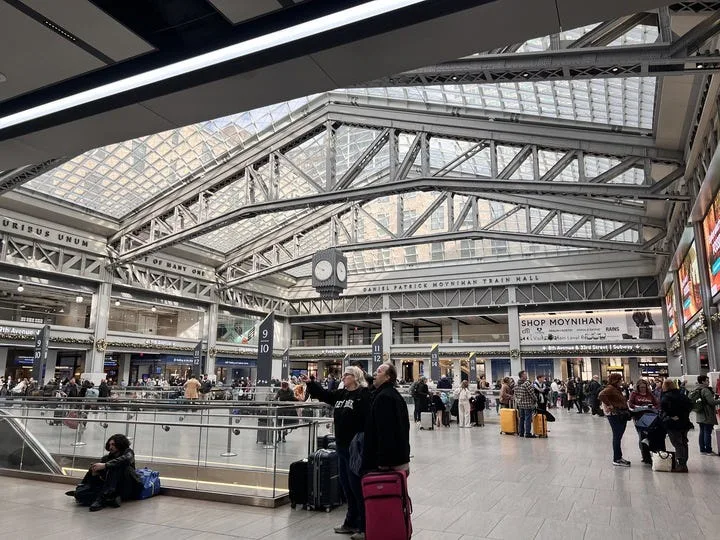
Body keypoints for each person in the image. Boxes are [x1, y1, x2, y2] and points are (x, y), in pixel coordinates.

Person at [302, 366, 370, 537]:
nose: (343, 377)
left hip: (355, 448)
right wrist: (311, 384)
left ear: (355, 377)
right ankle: (350, 522)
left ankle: (364, 526)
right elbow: (325, 395)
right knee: (347, 486)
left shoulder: (363, 395)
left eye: (347, 374)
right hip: (341, 446)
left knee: (356, 486)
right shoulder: (341, 394)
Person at [361, 362, 411, 540]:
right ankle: (394, 530)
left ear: (388, 377)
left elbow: (386, 432)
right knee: (396, 501)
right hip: (396, 457)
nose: (375, 374)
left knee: (387, 500)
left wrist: (383, 462)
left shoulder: (385, 398)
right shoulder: (389, 394)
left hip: (387, 461)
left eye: (379, 371)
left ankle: (385, 531)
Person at [65, 434, 141, 511]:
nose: (110, 447)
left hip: (128, 486)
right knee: (80, 494)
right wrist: (95, 474)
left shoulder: (128, 452)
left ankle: (102, 499)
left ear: (120, 444)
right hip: (112, 489)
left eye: (113, 445)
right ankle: (110, 499)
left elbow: (126, 459)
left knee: (115, 466)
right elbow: (104, 479)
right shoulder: (106, 458)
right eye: (110, 444)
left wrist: (105, 465)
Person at [598, 373, 631, 466]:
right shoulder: (610, 388)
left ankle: (618, 457)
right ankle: (617, 458)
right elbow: (601, 395)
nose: (621, 381)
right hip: (615, 415)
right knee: (617, 436)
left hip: (620, 414)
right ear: (616, 380)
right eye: (620, 379)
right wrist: (609, 405)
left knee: (618, 436)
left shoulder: (616, 389)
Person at [660, 379, 693, 472]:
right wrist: (683, 415)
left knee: (677, 443)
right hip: (685, 422)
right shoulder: (682, 395)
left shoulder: (666, 396)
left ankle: (680, 464)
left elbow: (663, 407)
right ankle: (684, 463)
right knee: (684, 442)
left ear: (665, 386)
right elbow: (690, 405)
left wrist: (671, 415)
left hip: (673, 423)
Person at [628, 378, 661, 464]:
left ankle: (651, 453)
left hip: (650, 416)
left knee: (650, 436)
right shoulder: (634, 394)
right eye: (641, 387)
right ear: (638, 387)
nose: (643, 389)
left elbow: (656, 404)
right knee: (642, 436)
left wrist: (652, 407)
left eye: (644, 387)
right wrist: (639, 407)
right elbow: (630, 404)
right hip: (638, 417)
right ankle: (645, 456)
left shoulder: (650, 394)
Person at [691, 375, 720, 455]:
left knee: (702, 432)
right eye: (707, 380)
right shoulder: (705, 390)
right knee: (707, 432)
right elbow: (712, 402)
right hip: (707, 415)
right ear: (703, 381)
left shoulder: (696, 389)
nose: (708, 382)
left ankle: (702, 450)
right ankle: (708, 450)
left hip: (699, 414)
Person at [514, 371, 537, 438]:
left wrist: (518, 401)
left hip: (520, 404)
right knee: (528, 419)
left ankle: (521, 433)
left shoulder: (516, 384)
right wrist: (535, 399)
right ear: (522, 376)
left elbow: (515, 394)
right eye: (525, 374)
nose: (526, 375)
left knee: (521, 418)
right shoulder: (526, 383)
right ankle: (527, 433)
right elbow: (532, 393)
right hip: (527, 404)